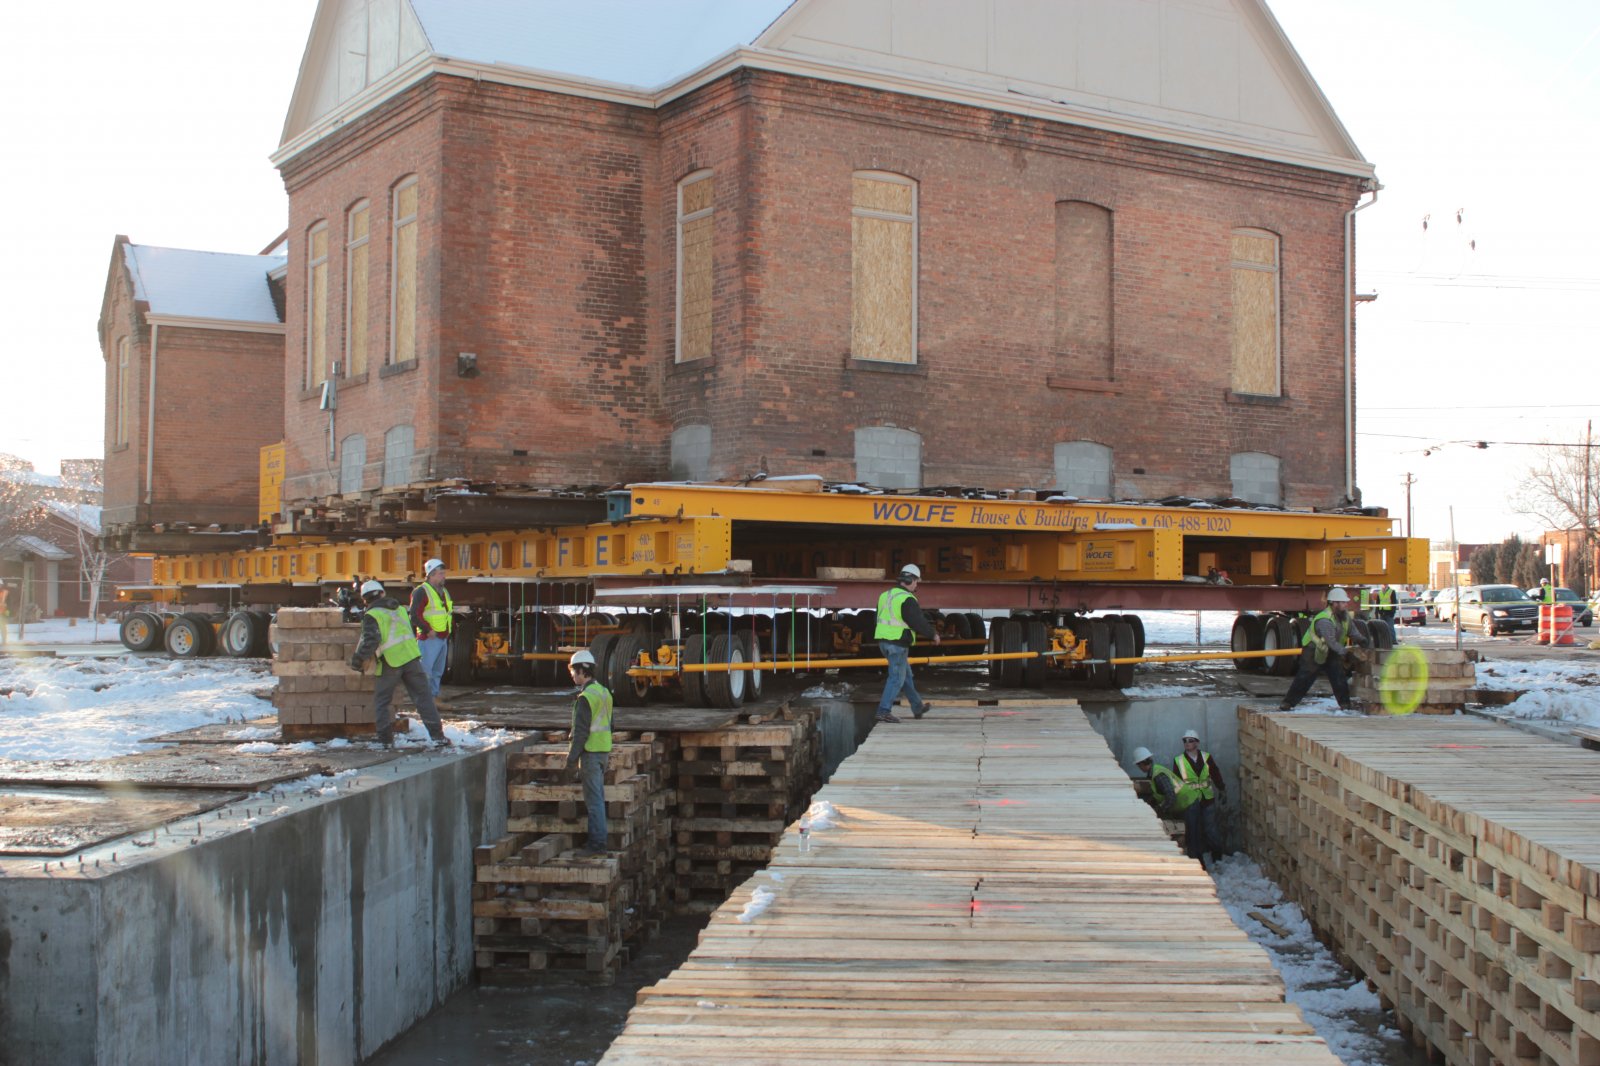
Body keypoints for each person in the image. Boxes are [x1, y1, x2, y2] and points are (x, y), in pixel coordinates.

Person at [349, 579, 450, 748]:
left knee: (382, 701)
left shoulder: (372, 615)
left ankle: (385, 740)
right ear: (382, 593)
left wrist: (357, 661)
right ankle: (438, 736)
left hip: (392, 661)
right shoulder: (400, 609)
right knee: (424, 699)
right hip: (412, 658)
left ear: (365, 599)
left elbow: (371, 640)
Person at [1279, 587, 1371, 711]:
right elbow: (1331, 642)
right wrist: (1346, 653)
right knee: (1305, 676)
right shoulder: (1324, 619)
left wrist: (1363, 641)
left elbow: (1352, 632)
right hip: (1313, 649)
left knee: (1338, 676)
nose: (1346, 604)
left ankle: (1345, 705)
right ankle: (1288, 703)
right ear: (1334, 603)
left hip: (1331, 650)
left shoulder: (1344, 617)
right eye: (1343, 602)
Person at [872, 562, 940, 723]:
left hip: (884, 641)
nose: (917, 585)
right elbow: (917, 621)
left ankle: (917, 707)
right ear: (910, 580)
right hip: (897, 643)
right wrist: (933, 634)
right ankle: (883, 711)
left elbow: (876, 618)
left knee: (906, 676)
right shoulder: (907, 599)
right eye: (916, 581)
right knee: (896, 678)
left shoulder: (885, 595)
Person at [565, 649, 613, 855]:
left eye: (574, 671)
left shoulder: (585, 698)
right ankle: (599, 841)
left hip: (591, 753)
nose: (572, 675)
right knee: (598, 799)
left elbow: (580, 733)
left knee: (593, 802)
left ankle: (596, 845)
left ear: (583, 671)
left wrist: (570, 759)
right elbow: (611, 723)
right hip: (603, 751)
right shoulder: (604, 692)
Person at [1173, 729, 1227, 866]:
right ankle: (1197, 860)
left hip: (1207, 798)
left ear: (1197, 742)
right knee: (1193, 830)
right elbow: (1176, 782)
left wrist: (1222, 789)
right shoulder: (1178, 761)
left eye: (1190, 740)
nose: (1187, 743)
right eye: (1184, 740)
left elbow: (1215, 773)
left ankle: (1217, 856)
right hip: (1190, 800)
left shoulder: (1206, 757)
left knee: (1211, 829)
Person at [410, 558, 453, 700]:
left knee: (437, 672)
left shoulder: (444, 591)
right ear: (432, 574)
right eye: (441, 573)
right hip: (429, 638)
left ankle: (433, 698)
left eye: (443, 573)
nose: (443, 576)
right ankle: (424, 701)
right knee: (425, 672)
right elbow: (415, 615)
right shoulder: (421, 591)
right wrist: (427, 630)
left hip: (441, 637)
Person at [1131, 746, 1183, 817]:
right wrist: (1147, 804)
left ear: (1142, 763)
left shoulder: (1158, 775)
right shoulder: (1154, 772)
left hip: (1188, 802)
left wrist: (1158, 811)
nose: (1139, 767)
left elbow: (1171, 796)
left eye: (1138, 765)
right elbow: (1158, 794)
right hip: (1185, 802)